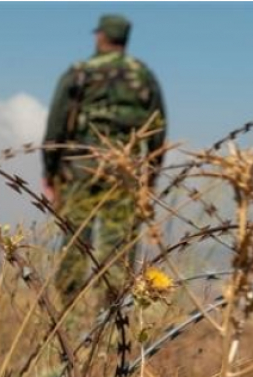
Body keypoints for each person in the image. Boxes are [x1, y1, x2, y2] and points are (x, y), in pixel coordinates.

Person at [42, 14, 167, 303]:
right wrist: (150, 176)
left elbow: (56, 125)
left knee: (74, 238)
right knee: (120, 245)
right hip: (125, 169)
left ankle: (66, 308)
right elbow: (158, 129)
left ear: (100, 36)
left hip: (79, 168)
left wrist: (50, 172)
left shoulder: (79, 72)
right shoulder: (144, 75)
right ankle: (110, 316)